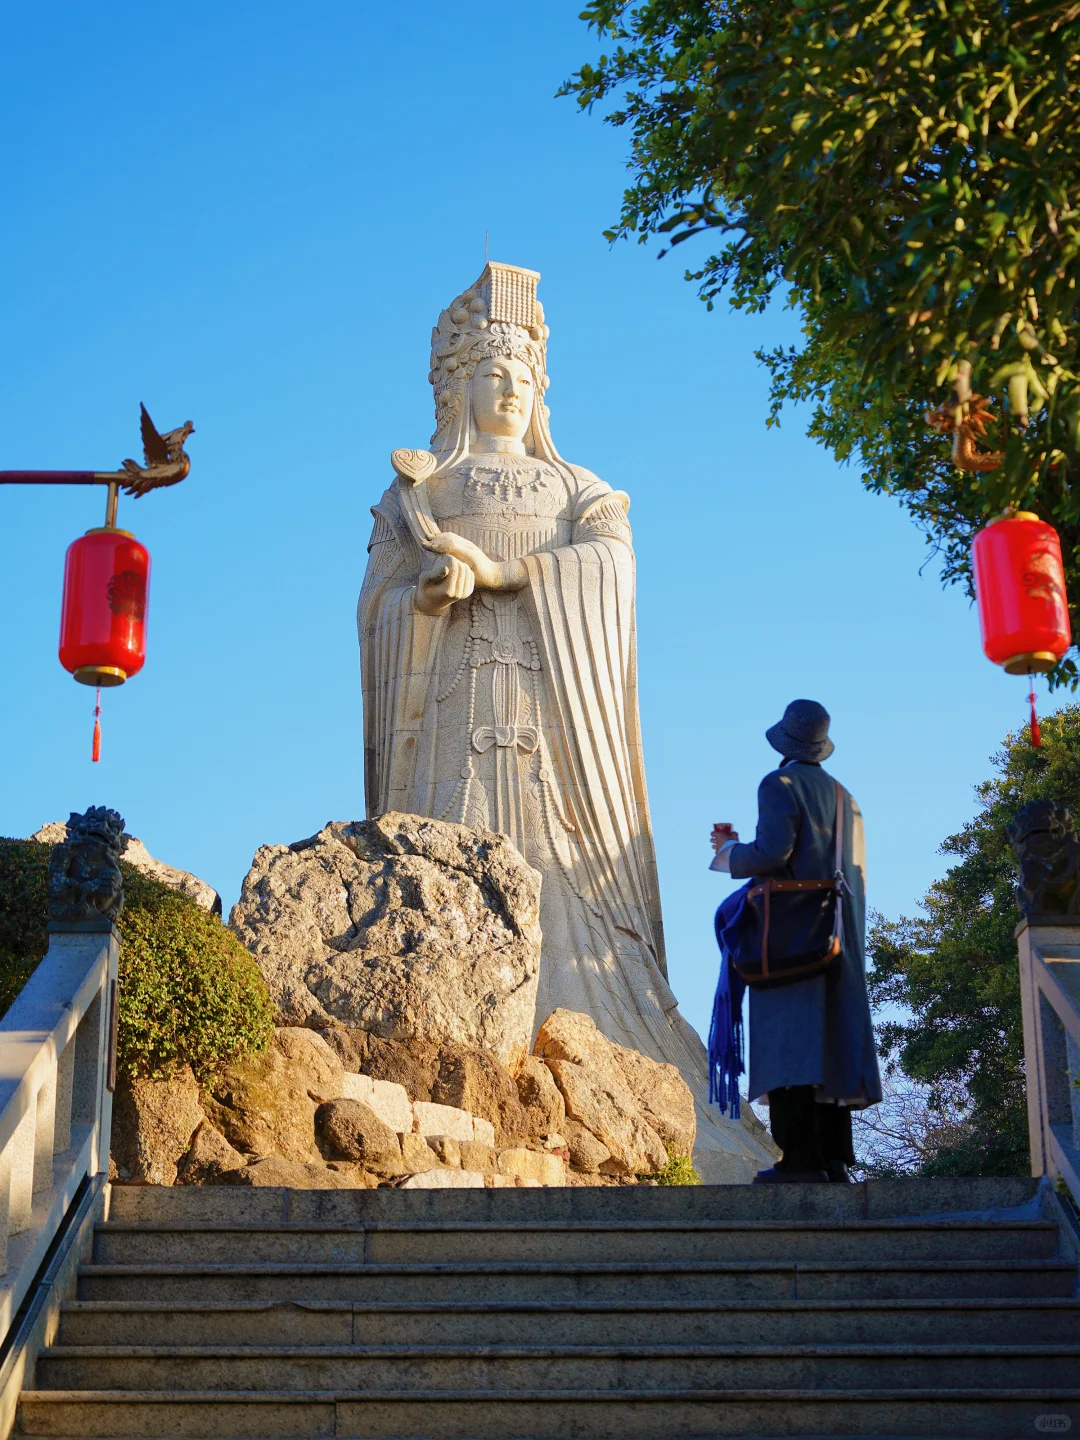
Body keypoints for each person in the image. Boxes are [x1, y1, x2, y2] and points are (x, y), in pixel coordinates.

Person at [711, 700, 882, 1182]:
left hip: (792, 935)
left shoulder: (779, 783)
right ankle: (832, 1160)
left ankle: (800, 1162)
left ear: (784, 743)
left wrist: (728, 852)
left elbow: (772, 853)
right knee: (830, 1047)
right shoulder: (844, 795)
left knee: (788, 1042)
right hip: (840, 936)